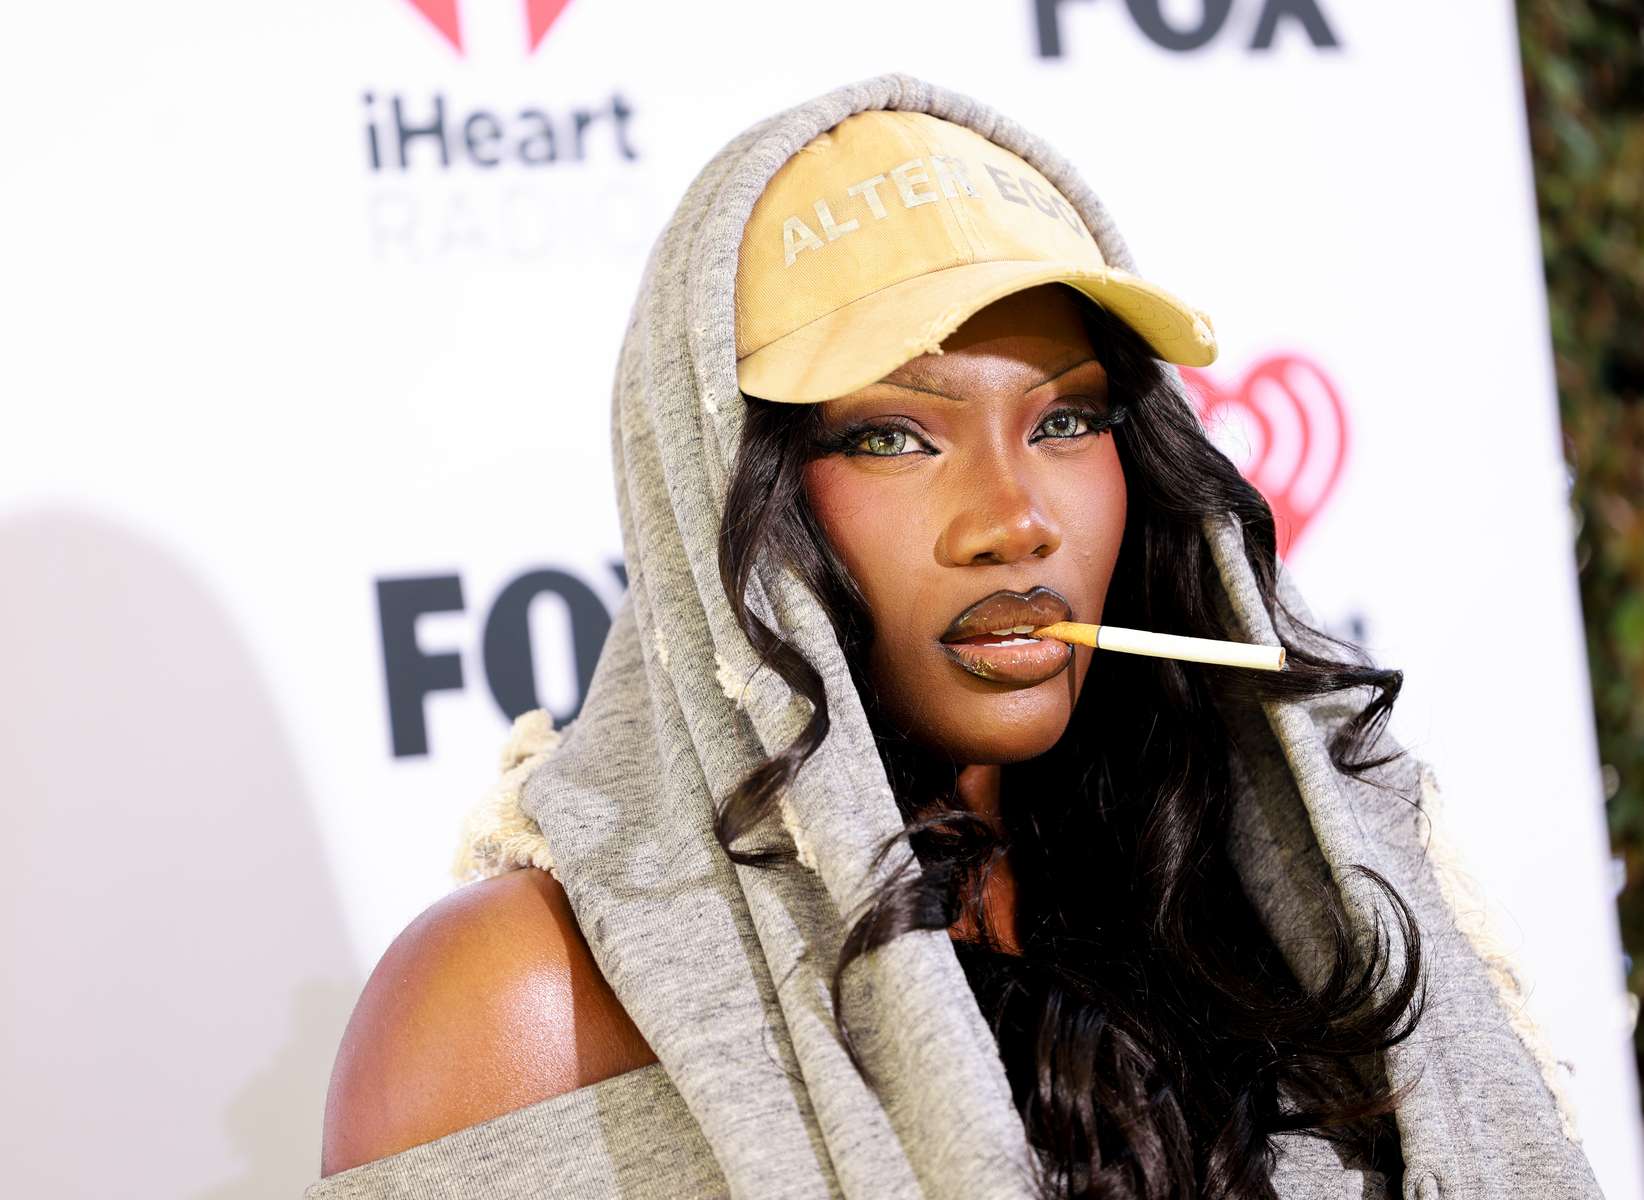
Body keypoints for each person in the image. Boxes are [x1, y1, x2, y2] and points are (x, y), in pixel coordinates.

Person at [309, 72, 1603, 1198]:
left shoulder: (1297, 910)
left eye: (1066, 422)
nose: (1015, 520)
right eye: (893, 436)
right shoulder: (520, 1008)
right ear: (723, 493)